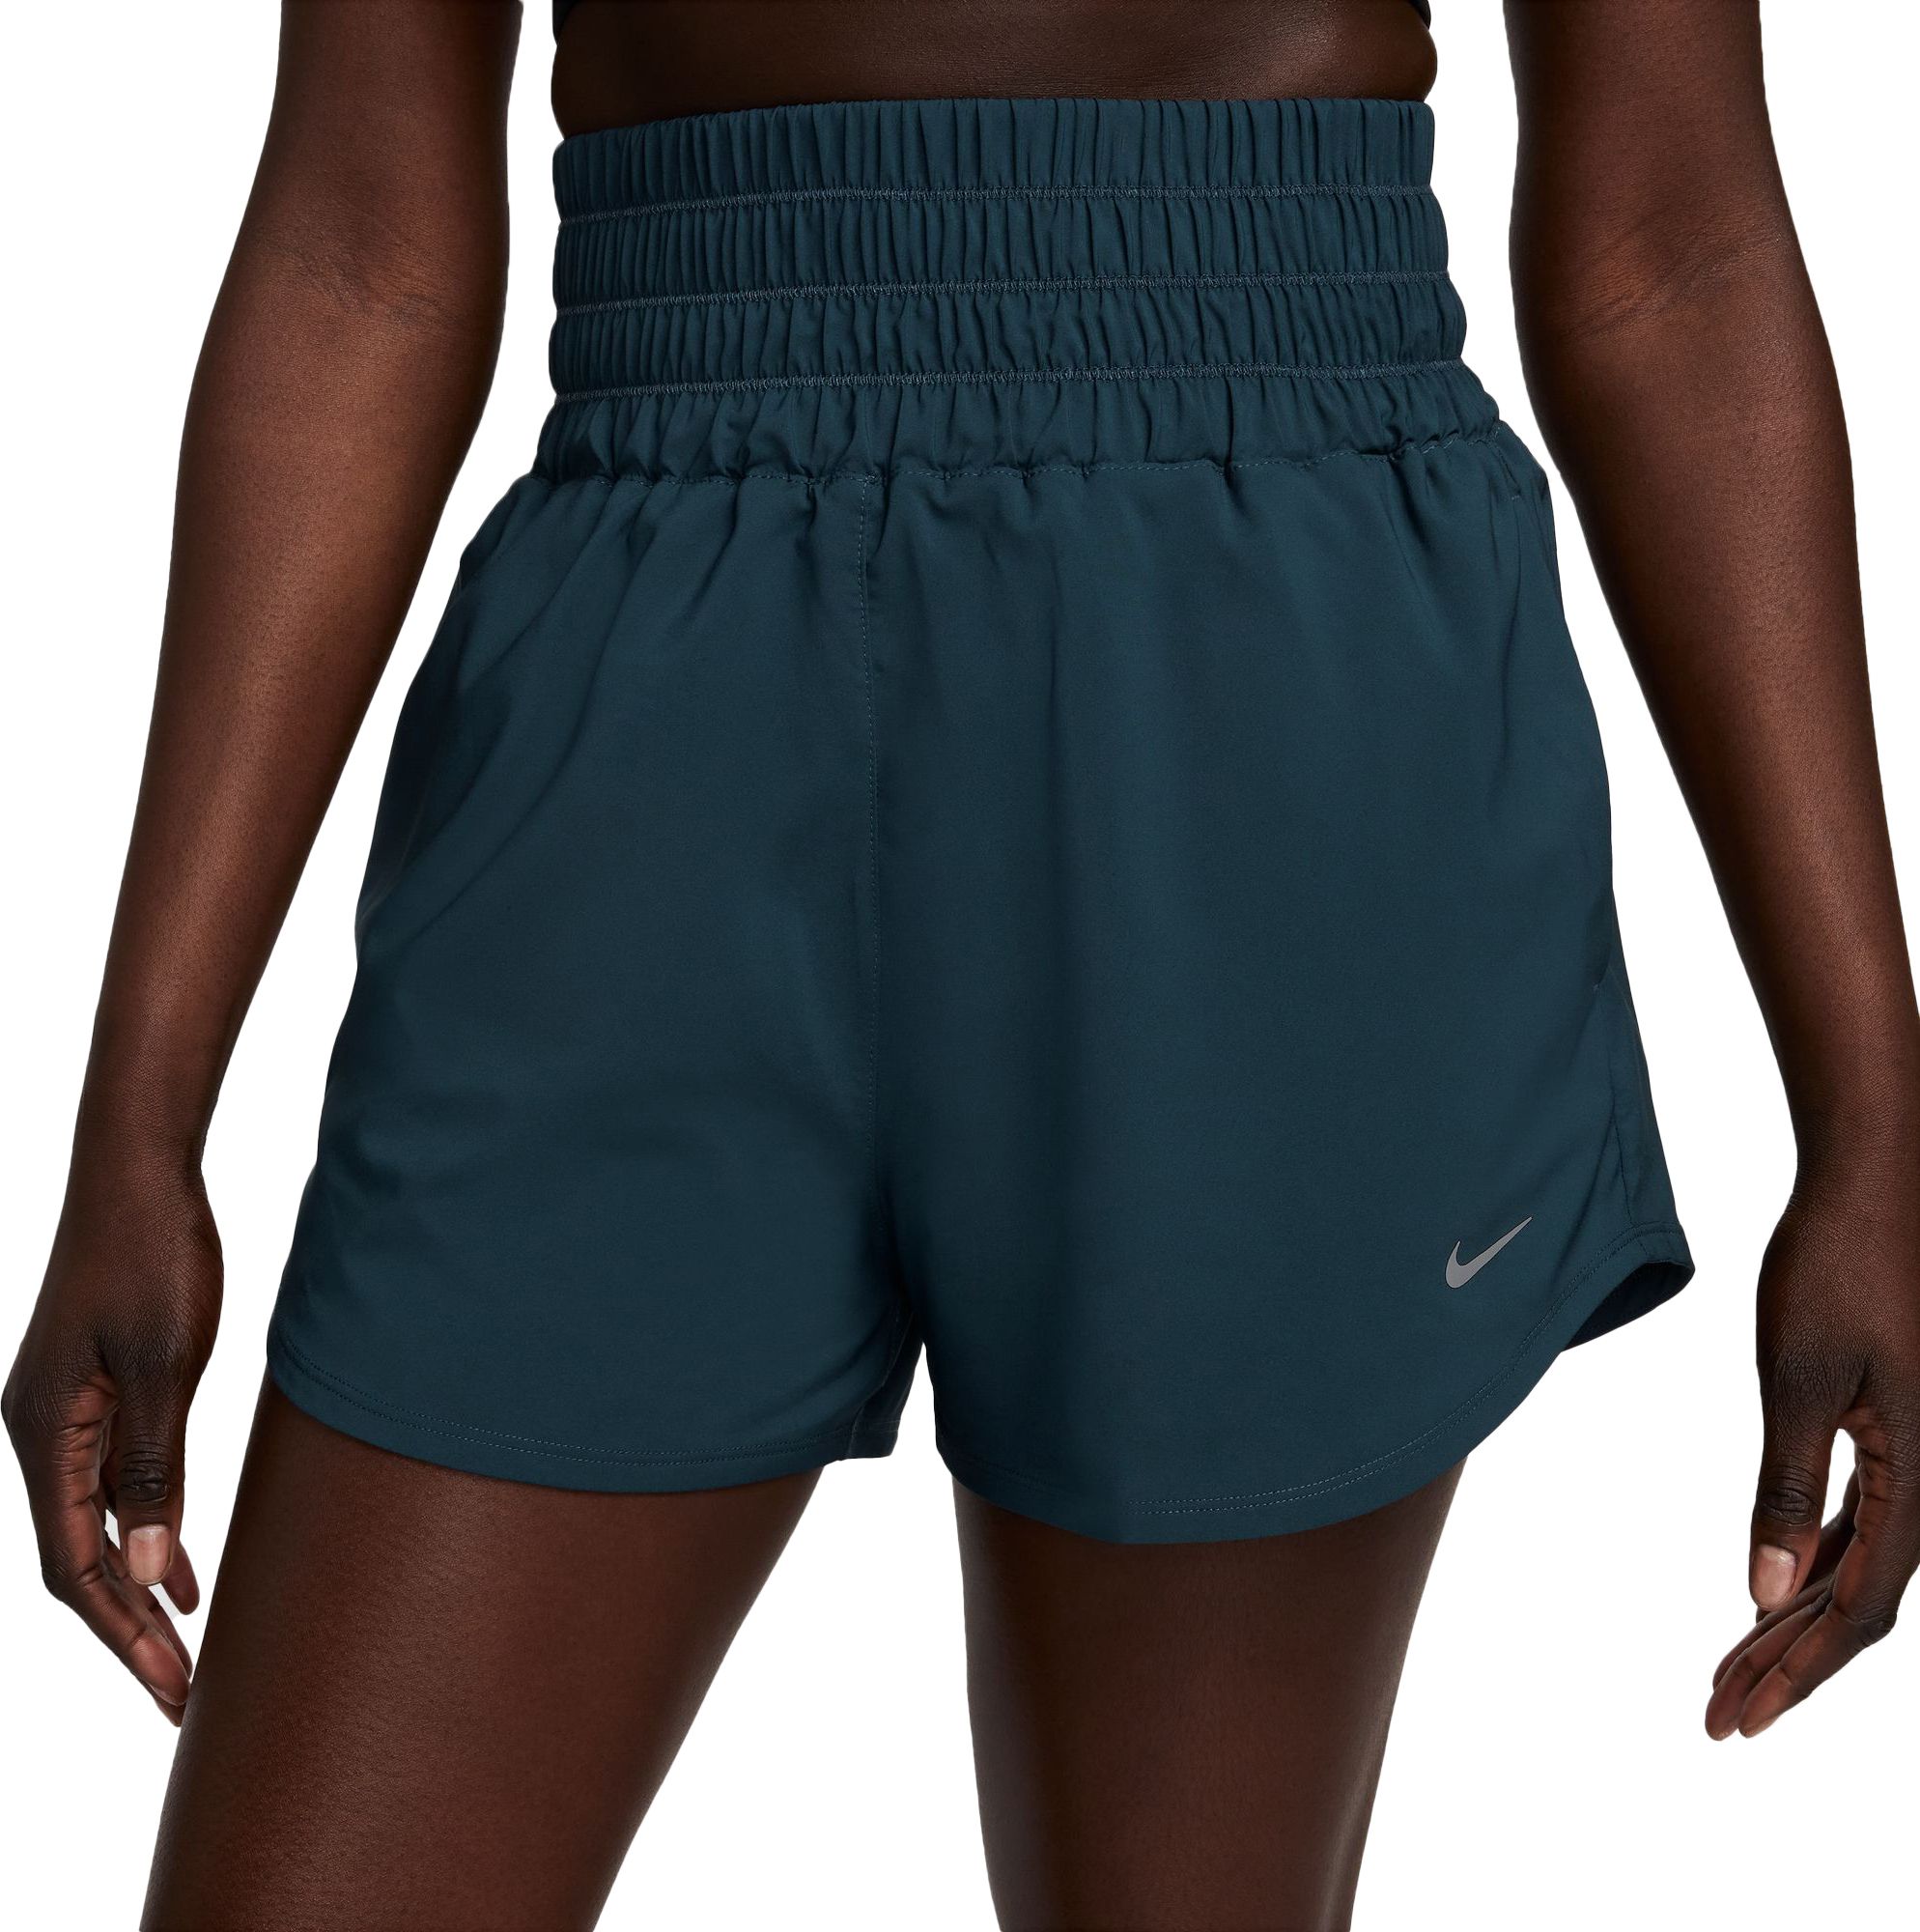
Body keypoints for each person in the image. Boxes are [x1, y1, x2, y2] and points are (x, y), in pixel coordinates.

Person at [8, 3, 1918, 1928]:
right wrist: (139, 1117)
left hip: (1254, 651)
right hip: (647, 685)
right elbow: (365, 250)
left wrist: (1871, 1125)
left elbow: (1669, 243)